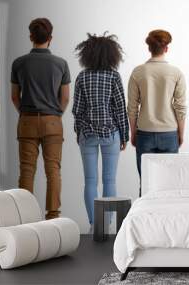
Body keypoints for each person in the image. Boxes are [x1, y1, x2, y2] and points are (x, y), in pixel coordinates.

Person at [11, 18, 70, 220]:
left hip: (27, 120)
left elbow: (14, 96)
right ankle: (53, 216)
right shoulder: (61, 64)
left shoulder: (19, 63)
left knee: (27, 170)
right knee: (53, 170)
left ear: (31, 37)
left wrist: (24, 112)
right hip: (53, 121)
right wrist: (55, 114)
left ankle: (25, 216)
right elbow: (65, 98)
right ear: (50, 38)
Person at [73, 33, 129, 227]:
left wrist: (78, 132)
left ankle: (93, 224)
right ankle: (106, 225)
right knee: (109, 180)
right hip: (110, 134)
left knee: (90, 181)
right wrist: (125, 135)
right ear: (111, 55)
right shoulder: (114, 76)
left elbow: (77, 110)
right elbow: (120, 108)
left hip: (87, 134)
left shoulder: (82, 77)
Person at [128, 29, 186, 188]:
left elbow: (132, 107)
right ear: (166, 48)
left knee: (146, 185)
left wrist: (133, 133)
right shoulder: (176, 73)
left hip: (144, 133)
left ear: (149, 48)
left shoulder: (138, 72)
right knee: (170, 185)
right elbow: (180, 107)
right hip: (169, 132)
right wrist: (181, 133)